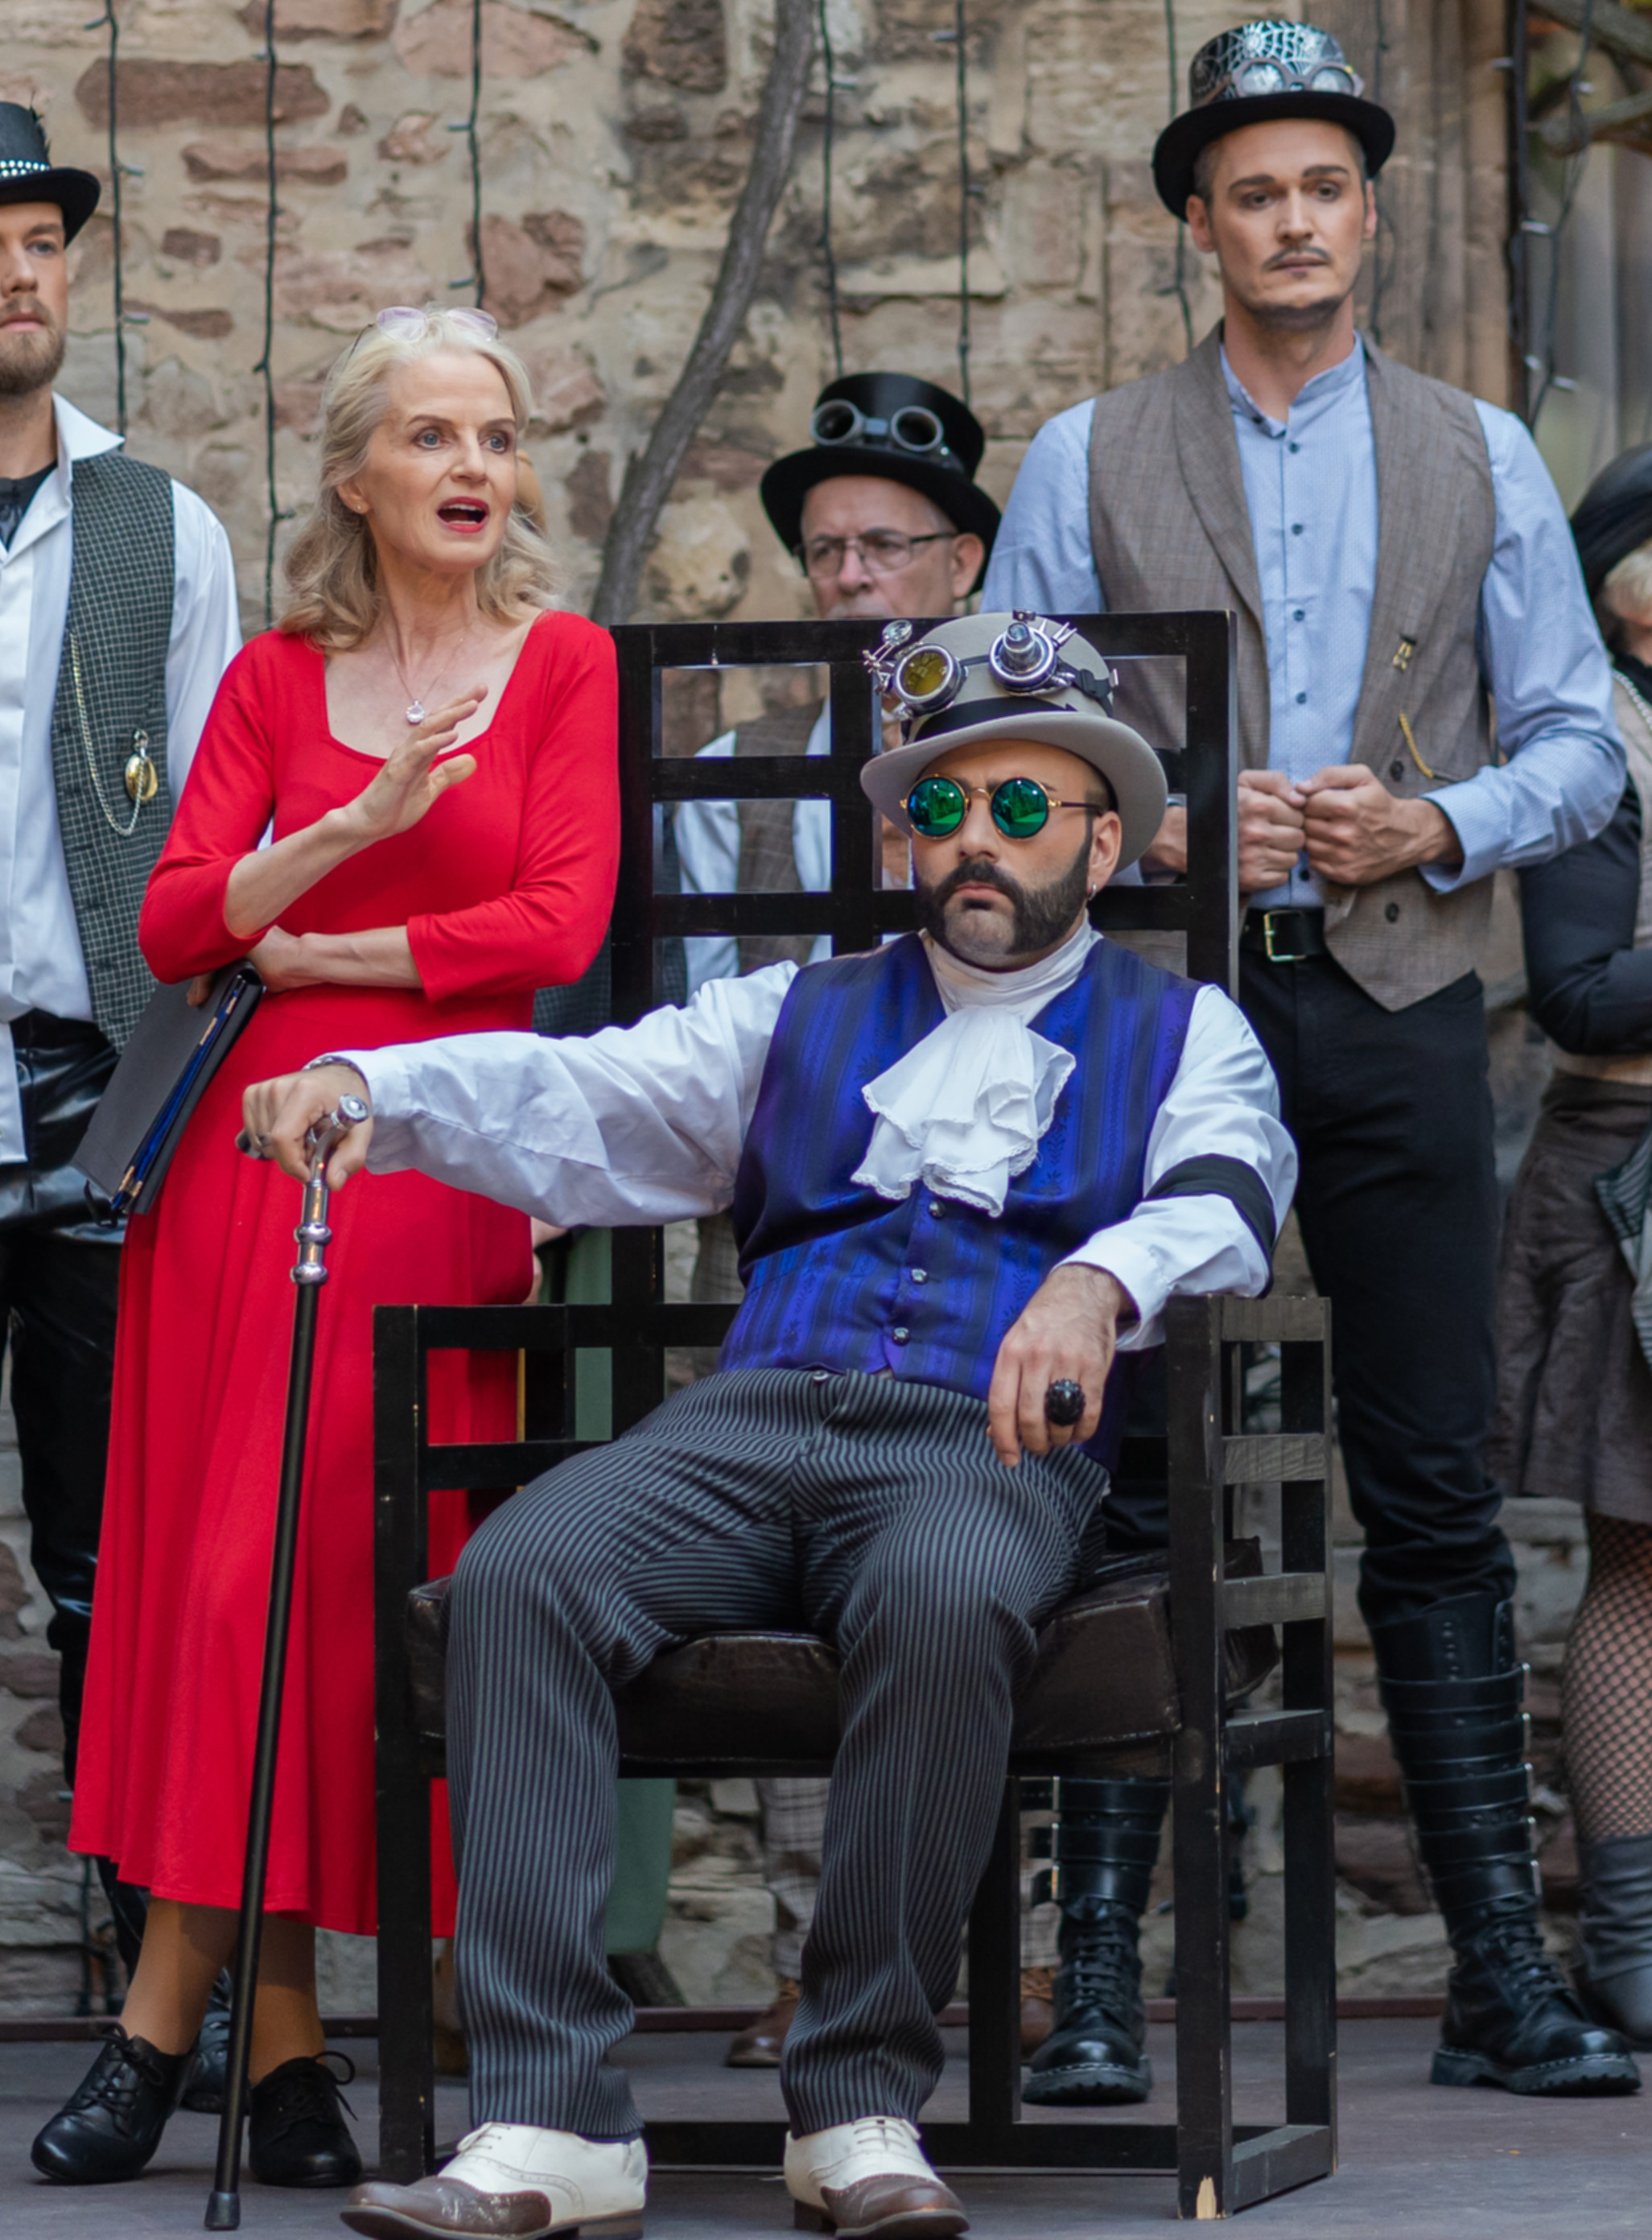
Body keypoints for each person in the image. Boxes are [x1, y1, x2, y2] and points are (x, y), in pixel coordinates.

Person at [243, 611, 1296, 2240]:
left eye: (1021, 806)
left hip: (981, 1449)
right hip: (743, 1430)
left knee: (943, 1598)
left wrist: (1100, 1280)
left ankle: (856, 2099)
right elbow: (587, 1093)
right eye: (940, 806)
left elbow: (1229, 1194)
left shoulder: (1181, 1030)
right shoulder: (792, 1011)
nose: (975, 838)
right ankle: (551, 2122)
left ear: (1102, 841)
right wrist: (384, 1092)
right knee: (519, 1575)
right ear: (901, 836)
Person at [983, 17, 1636, 2102]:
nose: (1291, 221)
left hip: (1400, 1004)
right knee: (1124, 1462)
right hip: (1157, 1014)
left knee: (1427, 1482)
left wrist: (1429, 822)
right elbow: (1001, 745)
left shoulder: (1479, 453)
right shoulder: (1087, 454)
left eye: (1323, 188)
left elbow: (1574, 742)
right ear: (1197, 220)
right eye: (1251, 190)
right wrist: (1157, 822)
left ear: (1370, 212)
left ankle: (1495, 1974)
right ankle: (1097, 1983)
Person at [32, 304, 619, 2188]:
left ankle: (160, 2028)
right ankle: (280, 2059)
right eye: (431, 436)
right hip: (245, 1164)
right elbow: (180, 919)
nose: (473, 468)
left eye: (496, 436)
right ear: (355, 472)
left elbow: (554, 924)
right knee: (230, 1594)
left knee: (323, 1593)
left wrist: (321, 950)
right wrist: (354, 824)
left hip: (432, 1146)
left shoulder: (565, 664)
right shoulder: (279, 676)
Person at [674, 369, 1003, 2069]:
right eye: (827, 551)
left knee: (973, 1566)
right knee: (792, 1568)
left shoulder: (1032, 766)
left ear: (962, 565)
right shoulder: (733, 774)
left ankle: (989, 1959)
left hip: (1003, 1234)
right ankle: (821, 1954)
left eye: (887, 545)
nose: (854, 577)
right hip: (797, 1227)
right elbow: (696, 1017)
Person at [0, 103, 241, 1979]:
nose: (20, 273)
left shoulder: (164, 527)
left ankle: (151, 1986)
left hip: (99, 1095)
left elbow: (218, 850)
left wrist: (182, 1106)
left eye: (40, 239)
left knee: (115, 1565)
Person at [1492, 443, 1652, 2052]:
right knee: (1643, 1559)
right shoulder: (1597, 746)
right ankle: (1633, 1938)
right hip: (1633, 1177)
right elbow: (1582, 994)